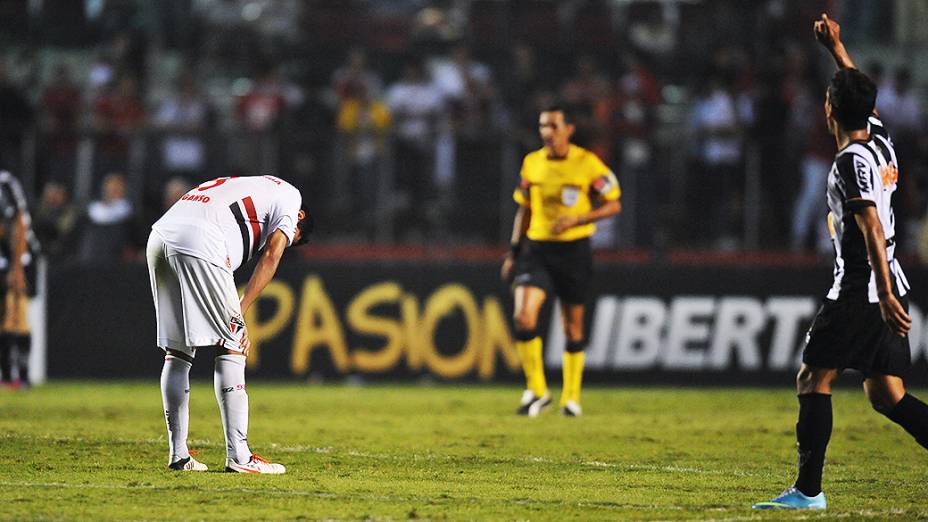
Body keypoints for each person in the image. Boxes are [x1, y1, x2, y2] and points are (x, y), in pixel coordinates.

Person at [753, 14, 928, 510]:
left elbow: (869, 224)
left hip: (861, 288)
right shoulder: (878, 138)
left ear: (828, 109)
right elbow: (857, 93)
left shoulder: (850, 160)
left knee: (813, 378)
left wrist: (883, 295)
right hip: (887, 282)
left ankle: (809, 492)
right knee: (887, 396)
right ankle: (809, 490)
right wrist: (837, 47)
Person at [147, 175, 312, 473]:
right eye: (293, 236)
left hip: (160, 236)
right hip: (200, 240)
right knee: (234, 343)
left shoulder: (256, 187)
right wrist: (241, 308)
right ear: (300, 217)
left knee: (178, 351)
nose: (288, 240)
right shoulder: (291, 196)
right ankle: (240, 456)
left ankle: (179, 454)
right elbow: (273, 254)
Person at [501, 106, 621, 417]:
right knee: (523, 316)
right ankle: (538, 391)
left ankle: (570, 397)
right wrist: (514, 252)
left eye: (553, 126)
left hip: (574, 251)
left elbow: (613, 204)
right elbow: (523, 210)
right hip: (537, 250)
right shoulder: (532, 163)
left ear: (568, 129)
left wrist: (579, 219)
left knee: (572, 328)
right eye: (542, 126)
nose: (546, 132)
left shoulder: (586, 163)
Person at [0, 170, 39, 389]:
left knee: (17, 313)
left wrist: (16, 269)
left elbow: (20, 224)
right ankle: (7, 377)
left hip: (20, 256)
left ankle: (22, 377)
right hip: (5, 257)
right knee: (5, 317)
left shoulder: (5, 182)